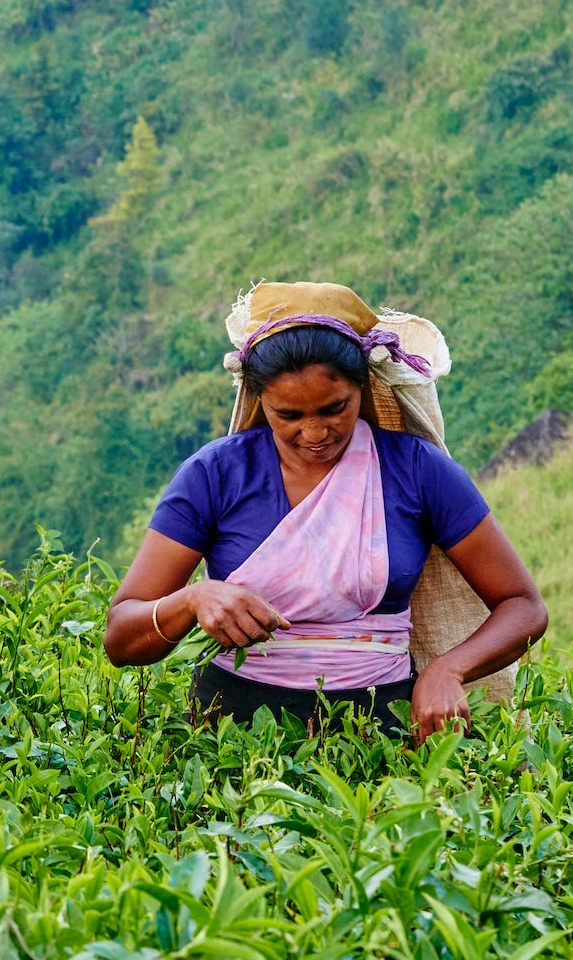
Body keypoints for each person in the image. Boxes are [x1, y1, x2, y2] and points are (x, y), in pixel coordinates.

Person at [104, 282, 547, 741]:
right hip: (234, 733)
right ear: (258, 400)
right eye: (288, 415)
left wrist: (448, 669)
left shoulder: (416, 470)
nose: (315, 432)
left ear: (363, 385)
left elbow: (523, 606)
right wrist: (193, 600)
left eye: (335, 409)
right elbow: (121, 638)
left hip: (383, 726)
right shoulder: (216, 473)